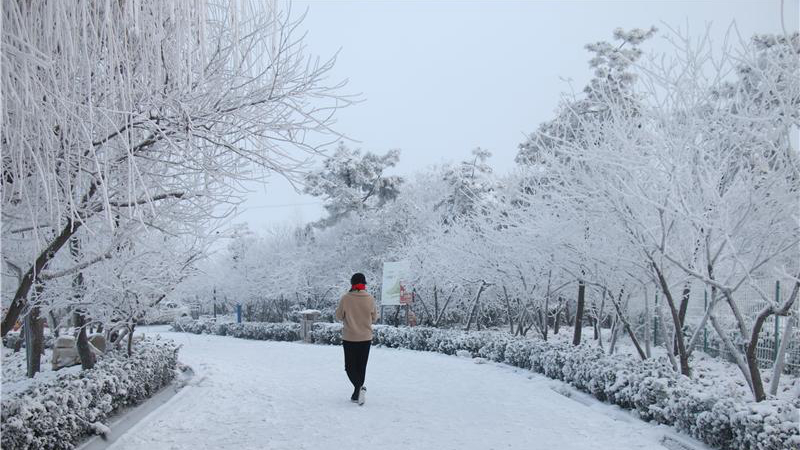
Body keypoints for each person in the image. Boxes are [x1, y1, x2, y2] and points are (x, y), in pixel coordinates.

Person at [335, 272, 378, 405]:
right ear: (363, 284)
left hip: (350, 338)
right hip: (366, 338)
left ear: (352, 284)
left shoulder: (345, 298)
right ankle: (357, 393)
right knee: (361, 366)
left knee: (349, 367)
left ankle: (358, 389)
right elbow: (375, 318)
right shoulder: (370, 298)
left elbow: (339, 316)